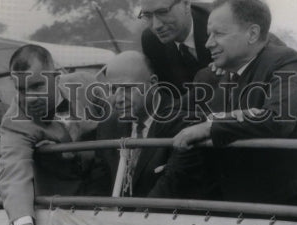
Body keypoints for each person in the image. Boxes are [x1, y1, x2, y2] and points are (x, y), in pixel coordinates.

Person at [171, 0, 297, 208]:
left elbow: (278, 119)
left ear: (252, 34)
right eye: (209, 34)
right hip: (229, 207)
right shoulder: (220, 74)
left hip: (276, 209)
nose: (208, 43)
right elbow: (181, 118)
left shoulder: (284, 61)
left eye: (218, 34)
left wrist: (210, 127)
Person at [0, 44, 92, 225]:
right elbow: (13, 177)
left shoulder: (87, 86)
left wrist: (73, 148)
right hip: (65, 220)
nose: (29, 98)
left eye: (37, 85)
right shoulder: (14, 121)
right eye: (21, 89)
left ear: (56, 76)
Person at [84, 51, 208, 200]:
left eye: (127, 88)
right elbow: (98, 184)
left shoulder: (184, 123)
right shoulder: (109, 125)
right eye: (114, 89)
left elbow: (171, 188)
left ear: (153, 83)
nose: (118, 99)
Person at [138, 0, 212, 94]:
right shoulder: (151, 40)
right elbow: (166, 97)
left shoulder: (218, 24)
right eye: (147, 15)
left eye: (163, 12)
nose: (156, 26)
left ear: (186, 3)